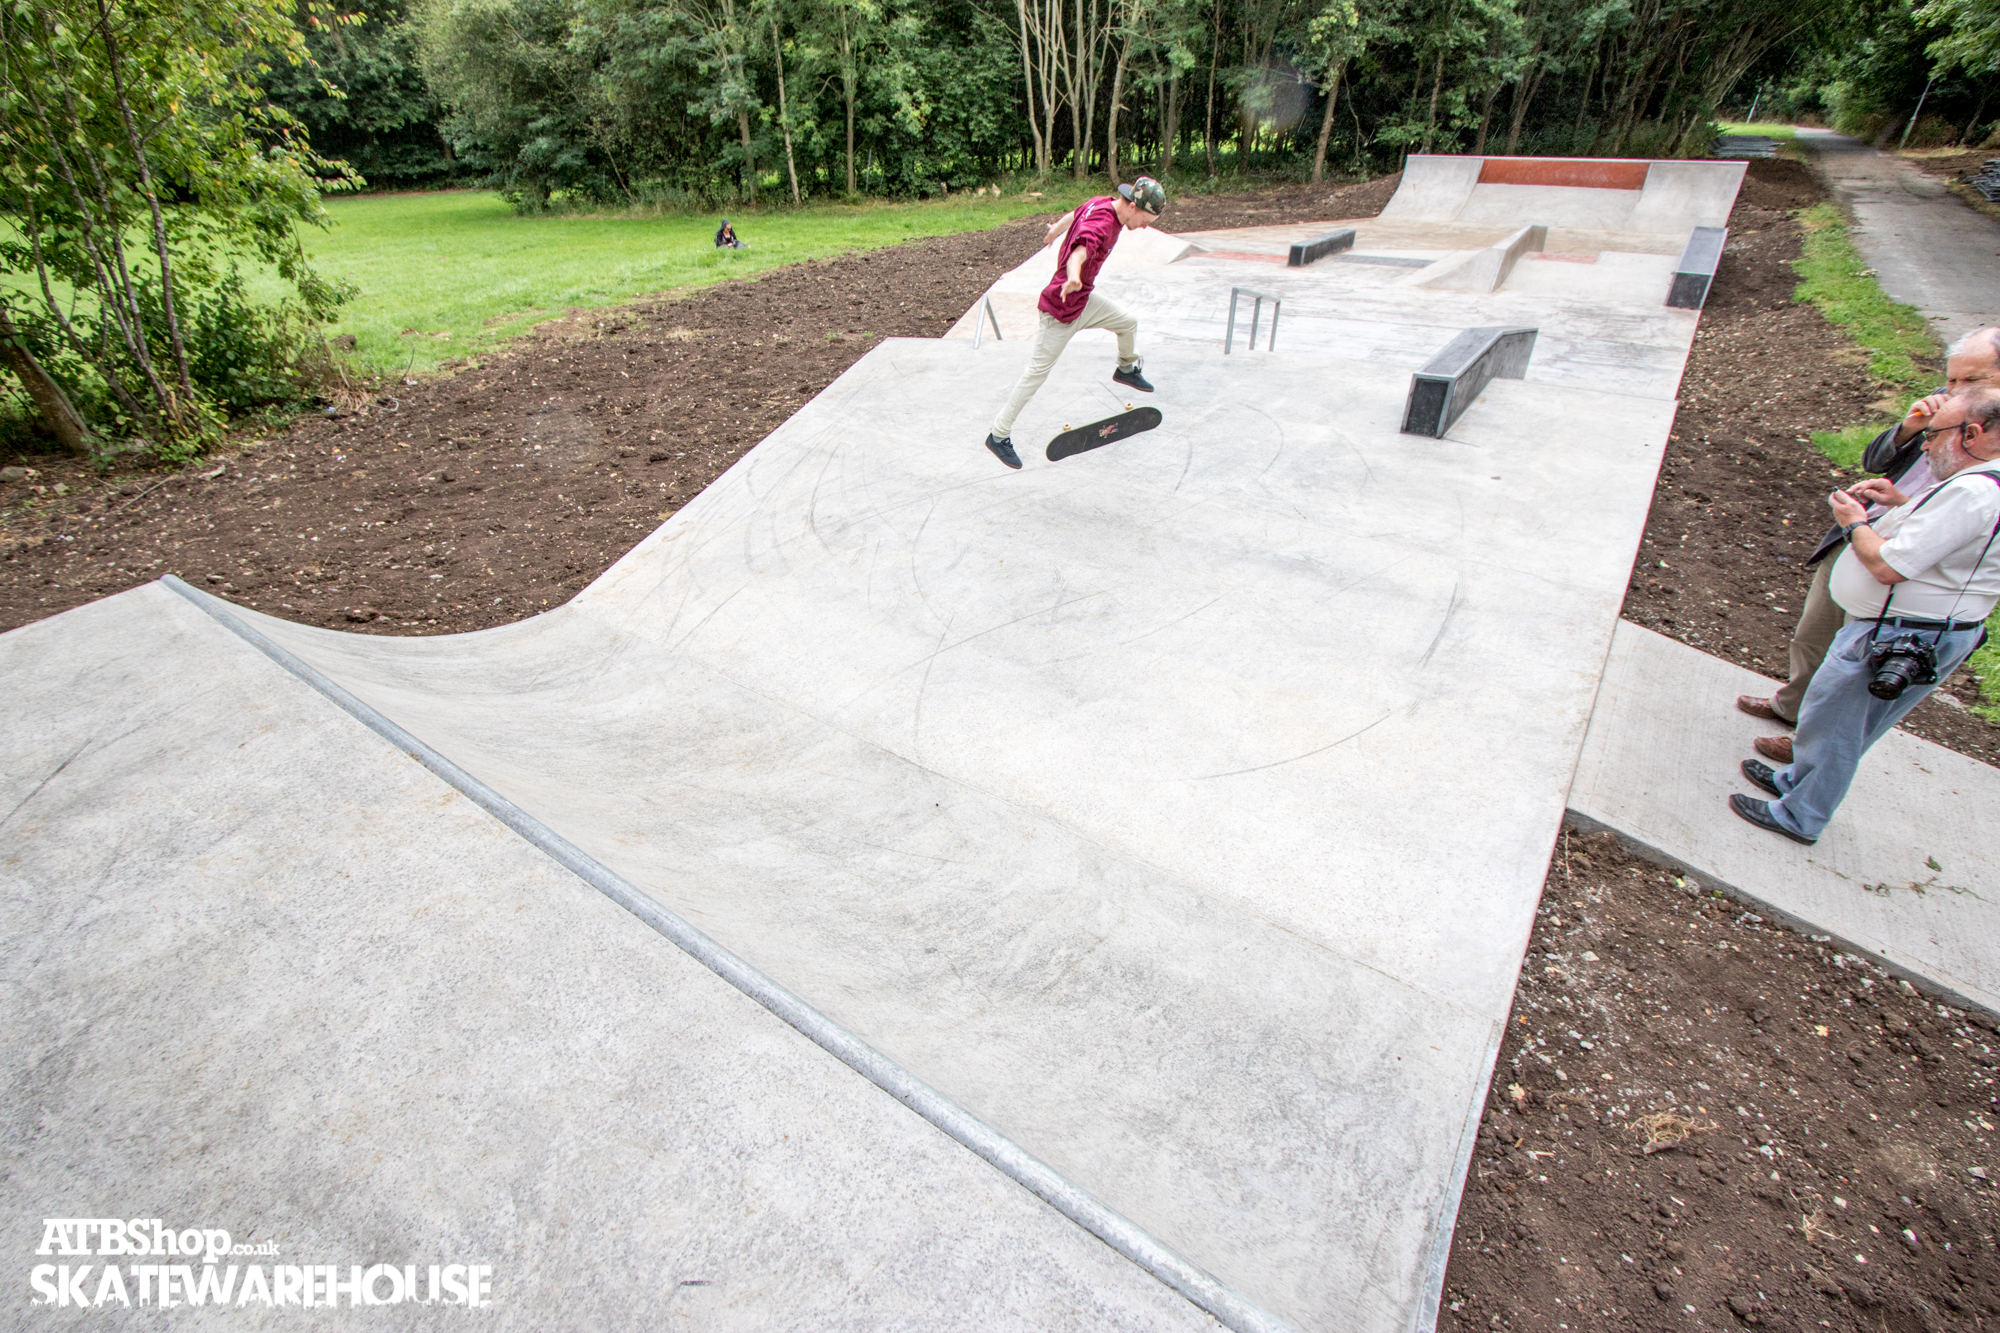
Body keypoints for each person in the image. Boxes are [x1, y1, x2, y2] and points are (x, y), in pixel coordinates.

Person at [1730, 386, 2000, 845]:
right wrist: (1900, 504)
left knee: (1839, 727)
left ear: (1971, 433)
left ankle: (1800, 815)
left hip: (1904, 634)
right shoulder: (1978, 485)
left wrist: (1855, 522)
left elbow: (1888, 565)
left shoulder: (1975, 493)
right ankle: (1795, 782)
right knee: (1830, 716)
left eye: (1933, 436)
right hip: (1913, 629)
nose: (1927, 445)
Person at [983, 177, 1167, 470]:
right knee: (1035, 374)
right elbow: (1080, 252)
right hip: (1061, 309)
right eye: (1145, 220)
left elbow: (1073, 215)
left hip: (1083, 302)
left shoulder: (1101, 203)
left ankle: (1125, 368)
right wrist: (1072, 276)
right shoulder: (1103, 226)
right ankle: (998, 434)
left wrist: (1053, 232)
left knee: (1127, 322)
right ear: (1133, 206)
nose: (1145, 227)